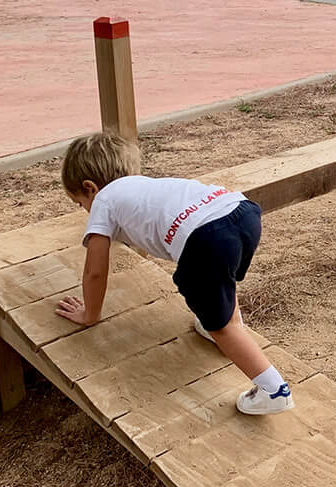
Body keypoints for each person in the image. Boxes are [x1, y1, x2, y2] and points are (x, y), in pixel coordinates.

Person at [55, 132, 295, 413]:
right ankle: (217, 324)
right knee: (217, 283)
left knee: (222, 325)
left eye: (79, 203)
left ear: (90, 188)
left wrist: (90, 314)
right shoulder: (143, 186)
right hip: (241, 211)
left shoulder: (104, 200)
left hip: (207, 237)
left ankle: (274, 390)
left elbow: (95, 270)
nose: (85, 211)